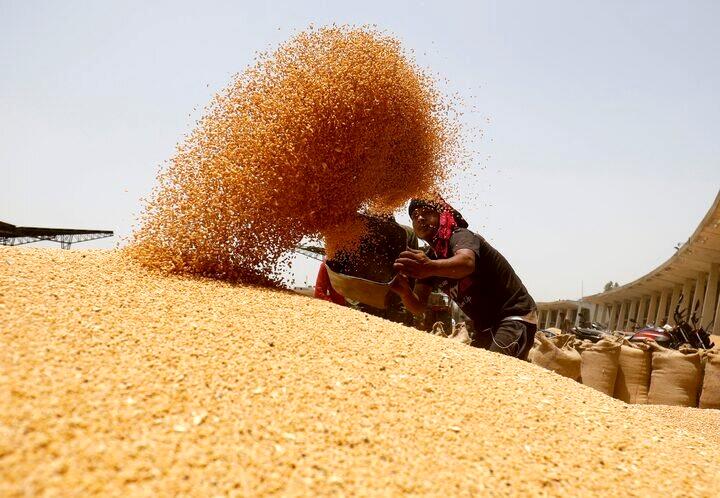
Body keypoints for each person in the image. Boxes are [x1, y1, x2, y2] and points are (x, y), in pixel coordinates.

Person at [390, 197, 538, 360]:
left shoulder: (460, 236)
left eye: (427, 212)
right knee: (469, 372)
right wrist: (404, 292)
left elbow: (466, 263)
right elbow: (418, 306)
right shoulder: (430, 257)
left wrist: (428, 267)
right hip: (485, 327)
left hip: (513, 316)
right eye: (414, 216)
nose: (419, 218)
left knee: (492, 370)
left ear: (443, 216)